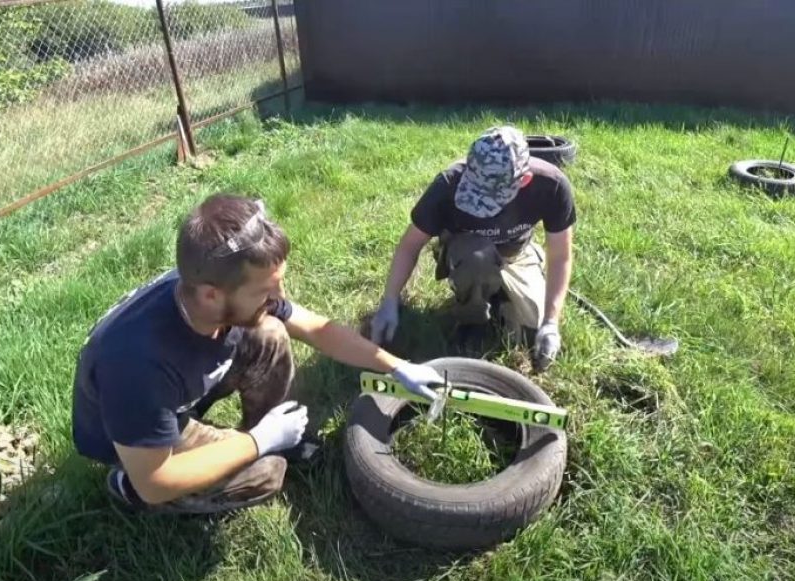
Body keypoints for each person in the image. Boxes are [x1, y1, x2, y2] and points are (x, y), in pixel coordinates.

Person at [71, 194, 445, 514]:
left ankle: (271, 436)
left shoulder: (219, 286)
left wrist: (396, 366)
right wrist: (258, 443)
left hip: (180, 389)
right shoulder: (137, 362)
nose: (279, 298)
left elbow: (315, 328)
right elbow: (156, 480)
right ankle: (125, 486)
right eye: (267, 290)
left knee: (270, 331)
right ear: (210, 295)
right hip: (140, 442)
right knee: (265, 474)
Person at [369, 126, 576, 371]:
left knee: (533, 329)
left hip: (515, 253)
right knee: (477, 260)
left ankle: (499, 297)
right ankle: (472, 318)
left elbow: (561, 256)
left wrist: (551, 323)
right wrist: (390, 302)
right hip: (467, 251)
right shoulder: (448, 184)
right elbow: (410, 245)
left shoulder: (551, 186)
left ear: (524, 180)